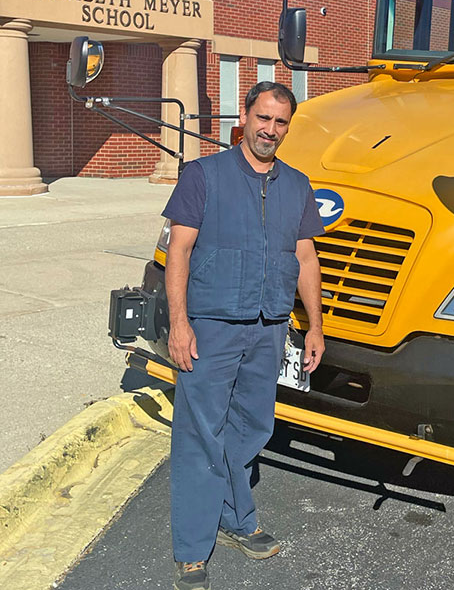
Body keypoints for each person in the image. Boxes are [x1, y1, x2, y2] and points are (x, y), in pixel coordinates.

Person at [162, 81, 325, 590]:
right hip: (210, 324)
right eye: (263, 118)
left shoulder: (297, 185)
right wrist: (180, 323)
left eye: (280, 123)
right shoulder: (202, 175)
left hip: (269, 325)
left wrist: (315, 324)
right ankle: (192, 549)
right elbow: (179, 252)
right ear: (245, 117)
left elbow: (305, 258)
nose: (270, 130)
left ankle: (236, 520)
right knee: (199, 433)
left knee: (252, 427)